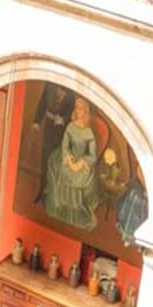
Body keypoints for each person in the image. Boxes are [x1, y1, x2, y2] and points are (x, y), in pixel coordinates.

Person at [43, 98, 101, 230]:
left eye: (81, 108)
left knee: (82, 175)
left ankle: (77, 209)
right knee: (57, 165)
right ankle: (61, 205)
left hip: (82, 162)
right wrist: (68, 158)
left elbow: (92, 156)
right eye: (76, 107)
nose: (78, 110)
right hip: (69, 158)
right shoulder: (70, 127)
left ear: (85, 112)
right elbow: (65, 145)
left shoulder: (88, 132)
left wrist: (81, 162)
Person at [31, 82, 76, 204]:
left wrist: (63, 120)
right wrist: (36, 121)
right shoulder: (49, 84)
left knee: (56, 165)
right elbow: (42, 103)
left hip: (63, 134)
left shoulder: (72, 92)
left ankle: (53, 196)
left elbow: (73, 114)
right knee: (45, 162)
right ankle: (42, 190)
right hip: (49, 130)